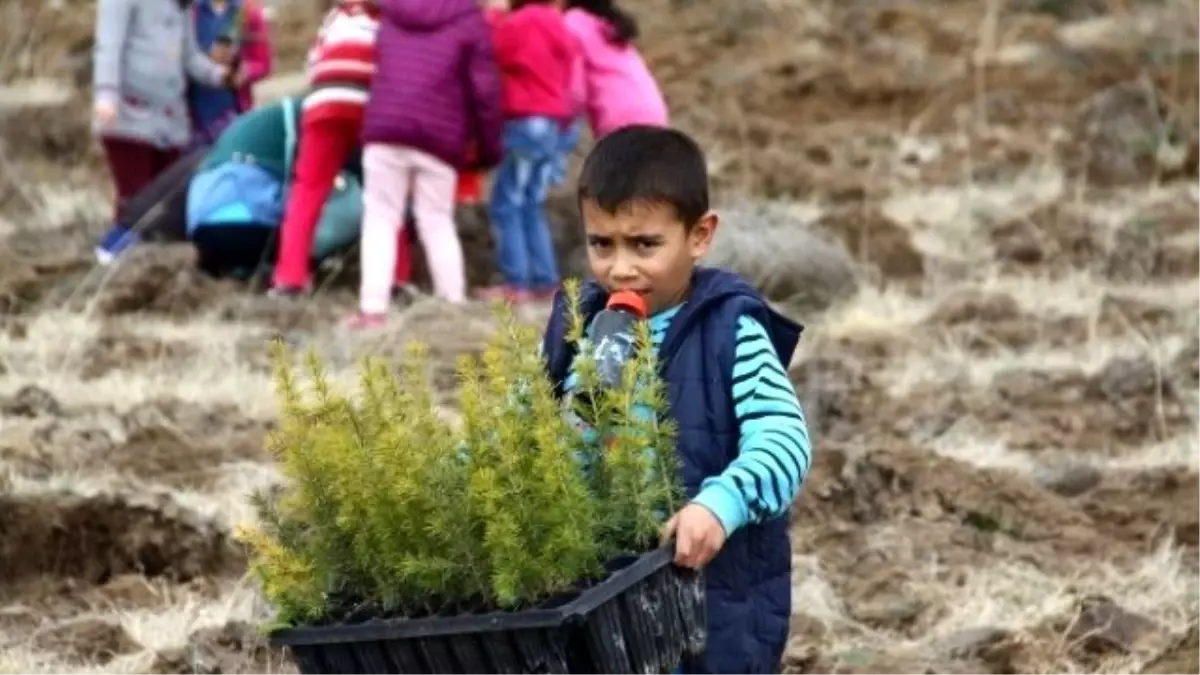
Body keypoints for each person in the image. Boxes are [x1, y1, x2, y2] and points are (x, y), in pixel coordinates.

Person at [539, 126, 812, 674]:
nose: (620, 267)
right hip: (601, 603)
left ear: (699, 235)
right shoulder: (580, 329)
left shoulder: (730, 330)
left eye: (645, 244)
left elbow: (784, 441)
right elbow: (532, 430)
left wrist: (720, 505)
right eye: (602, 243)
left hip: (713, 604)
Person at [354, 0, 504, 329]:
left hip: (386, 126)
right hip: (441, 135)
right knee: (436, 220)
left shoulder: (393, 11)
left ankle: (372, 309)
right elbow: (484, 90)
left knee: (380, 216)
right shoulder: (468, 18)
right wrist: (488, 149)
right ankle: (453, 304)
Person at [184, 96, 408, 280]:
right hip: (250, 218)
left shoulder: (280, 114)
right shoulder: (323, 120)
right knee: (348, 197)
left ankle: (247, 269)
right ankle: (307, 269)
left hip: (201, 222)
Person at [92, 0, 240, 264]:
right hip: (129, 115)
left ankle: (154, 264)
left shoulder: (179, 6)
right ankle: (117, 260)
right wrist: (107, 94)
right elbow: (109, 46)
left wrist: (219, 76)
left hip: (170, 121)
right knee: (135, 198)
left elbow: (190, 56)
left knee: (165, 201)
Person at [271, 0, 382, 296]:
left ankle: (290, 277)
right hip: (369, 106)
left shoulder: (335, 18)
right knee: (384, 194)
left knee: (308, 189)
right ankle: (393, 278)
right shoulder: (391, 19)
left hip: (323, 104)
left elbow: (312, 65)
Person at [478, 0, 577, 305]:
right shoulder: (557, 22)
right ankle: (545, 282)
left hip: (524, 120)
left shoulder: (522, 22)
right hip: (551, 123)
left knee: (507, 203)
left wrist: (493, 15)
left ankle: (517, 283)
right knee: (531, 203)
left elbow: (492, 49)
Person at [563, 0, 667, 140]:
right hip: (655, 112)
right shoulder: (610, 22)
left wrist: (560, 123)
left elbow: (576, 91)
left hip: (619, 119)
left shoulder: (572, 23)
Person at [187, 0, 274, 144]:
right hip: (195, 118)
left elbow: (263, 63)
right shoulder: (190, 11)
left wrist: (245, 72)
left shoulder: (247, 12)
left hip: (233, 112)